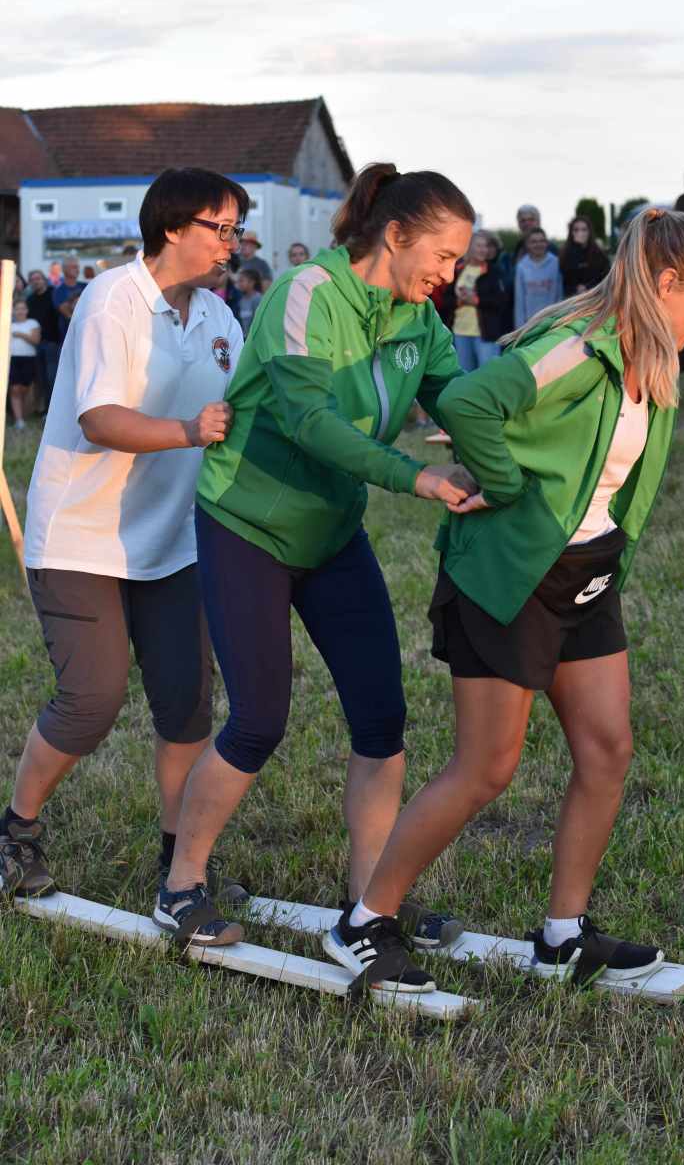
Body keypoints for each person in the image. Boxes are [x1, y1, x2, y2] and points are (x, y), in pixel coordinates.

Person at [322, 209, 684, 990]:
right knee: (485, 768)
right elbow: (468, 401)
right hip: (508, 577)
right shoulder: (574, 348)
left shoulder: (648, 356)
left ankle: (561, 937)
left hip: (585, 571)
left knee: (607, 750)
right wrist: (506, 486)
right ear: (664, 283)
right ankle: (363, 922)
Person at [158, 162, 478, 973]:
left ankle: (369, 905)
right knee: (258, 721)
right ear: (395, 235)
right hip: (248, 527)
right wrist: (415, 476)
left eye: (457, 261)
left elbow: (465, 403)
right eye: (442, 256)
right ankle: (180, 883)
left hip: (331, 533)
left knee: (381, 720)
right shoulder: (308, 292)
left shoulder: (420, 320)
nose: (449, 275)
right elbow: (307, 419)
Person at [0, 167, 247, 911]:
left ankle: (180, 864)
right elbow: (99, 418)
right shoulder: (113, 297)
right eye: (220, 228)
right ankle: (16, 832)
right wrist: (188, 431)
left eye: (236, 230)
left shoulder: (219, 317)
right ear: (172, 227)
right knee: (92, 700)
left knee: (185, 704)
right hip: (81, 538)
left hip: (174, 542)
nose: (231, 244)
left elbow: (249, 406)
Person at [440, 230, 512, 373]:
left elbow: (501, 301)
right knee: (465, 376)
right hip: (460, 332)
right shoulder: (458, 269)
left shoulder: (494, 271)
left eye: (486, 246)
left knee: (488, 375)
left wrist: (476, 300)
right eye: (479, 246)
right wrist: (460, 301)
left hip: (486, 334)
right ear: (469, 247)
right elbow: (446, 300)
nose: (483, 249)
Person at [23, 269, 61, 412]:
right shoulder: (30, 300)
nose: (36, 281)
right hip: (36, 344)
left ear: (44, 279)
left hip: (53, 343)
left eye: (38, 278)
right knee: (42, 379)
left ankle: (54, 410)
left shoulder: (53, 294)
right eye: (32, 279)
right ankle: (46, 410)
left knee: (52, 378)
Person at [514, 228, 563, 326]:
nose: (538, 244)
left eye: (542, 241)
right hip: (530, 323)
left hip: (552, 321)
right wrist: (519, 327)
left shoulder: (556, 262)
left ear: (546, 243)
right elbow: (519, 300)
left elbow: (560, 295)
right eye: (534, 242)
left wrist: (559, 321)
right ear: (527, 245)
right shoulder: (521, 266)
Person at [8, 298, 41, 429]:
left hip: (29, 359)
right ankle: (19, 420)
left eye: (22, 308)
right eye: (17, 309)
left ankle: (24, 414)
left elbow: (35, 340)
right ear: (13, 311)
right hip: (13, 359)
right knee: (14, 388)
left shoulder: (33, 323)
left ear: (27, 310)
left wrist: (20, 334)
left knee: (25, 388)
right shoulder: (9, 325)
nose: (20, 311)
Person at [560, 216, 610, 297]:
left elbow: (605, 276)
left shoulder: (599, 253)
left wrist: (587, 287)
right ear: (571, 232)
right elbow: (566, 279)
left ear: (589, 232)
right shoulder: (565, 254)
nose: (580, 233)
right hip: (573, 298)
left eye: (584, 230)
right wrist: (577, 248)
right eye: (576, 230)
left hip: (595, 297)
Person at [52, 257, 86, 345]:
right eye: (73, 267)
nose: (77, 269)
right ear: (64, 269)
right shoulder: (59, 290)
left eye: (77, 267)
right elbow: (67, 313)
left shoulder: (85, 286)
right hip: (67, 338)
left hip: (85, 335)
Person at [234, 267, 263, 337]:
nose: (239, 284)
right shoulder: (240, 300)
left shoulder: (258, 299)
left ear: (252, 282)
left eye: (241, 281)